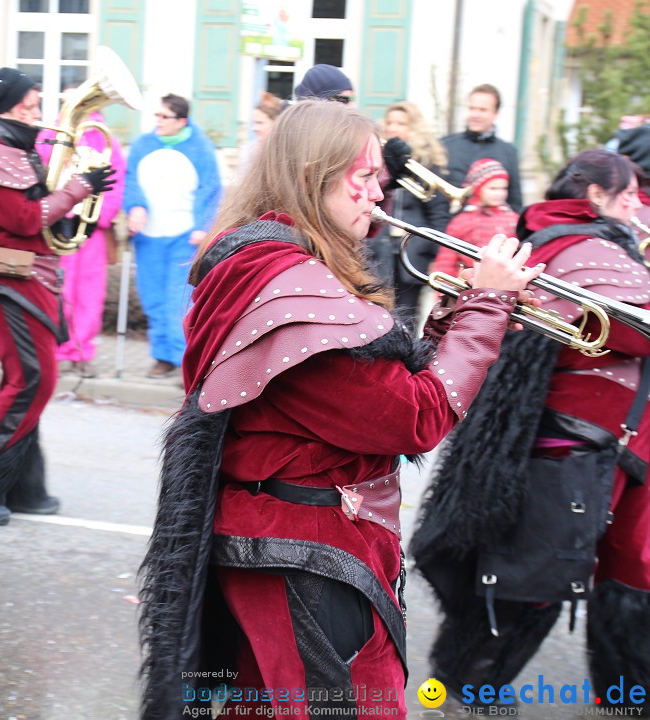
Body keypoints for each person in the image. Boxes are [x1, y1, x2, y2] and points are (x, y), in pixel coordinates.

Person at [137, 99, 542, 719]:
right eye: (364, 178)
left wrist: (456, 318)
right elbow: (417, 417)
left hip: (288, 543)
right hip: (309, 551)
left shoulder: (270, 268)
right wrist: (487, 307)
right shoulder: (292, 287)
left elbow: (372, 390)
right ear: (311, 176)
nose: (377, 197)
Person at [411, 149, 650, 708]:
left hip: (606, 443)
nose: (638, 203)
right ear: (596, 197)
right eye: (630, 193)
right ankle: (469, 684)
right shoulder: (589, 247)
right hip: (583, 442)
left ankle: (624, 689)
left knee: (613, 572)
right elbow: (638, 327)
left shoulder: (566, 242)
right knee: (537, 579)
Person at [0, 67, 116, 526]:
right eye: (30, 104)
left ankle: (20, 483)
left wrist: (75, 198)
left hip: (26, 278)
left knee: (31, 380)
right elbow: (26, 218)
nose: (37, 112)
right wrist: (78, 189)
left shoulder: (8, 148)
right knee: (31, 380)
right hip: (1, 281)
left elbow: (40, 221)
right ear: (7, 106)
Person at [124, 93, 222, 379]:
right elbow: (130, 181)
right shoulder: (143, 145)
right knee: (152, 297)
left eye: (164, 117)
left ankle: (184, 363)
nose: (158, 121)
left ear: (182, 121)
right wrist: (135, 207)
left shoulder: (201, 149)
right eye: (156, 116)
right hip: (149, 235)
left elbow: (212, 190)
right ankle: (162, 356)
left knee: (178, 301)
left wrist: (204, 226)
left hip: (184, 235)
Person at [36, 95, 126, 378]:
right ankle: (55, 350)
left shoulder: (103, 137)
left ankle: (81, 351)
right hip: (58, 220)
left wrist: (101, 216)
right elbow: (40, 169)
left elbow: (117, 178)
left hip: (89, 224)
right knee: (56, 289)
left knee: (89, 292)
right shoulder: (50, 134)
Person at [367, 100, 451, 325]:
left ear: (414, 128)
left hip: (413, 250)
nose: (394, 128)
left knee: (408, 316)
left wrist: (435, 254)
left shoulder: (425, 164)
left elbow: (438, 215)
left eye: (402, 123)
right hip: (380, 248)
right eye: (390, 122)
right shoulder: (376, 160)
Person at [441, 83, 523, 212]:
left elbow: (514, 201)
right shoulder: (445, 145)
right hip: (447, 227)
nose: (475, 115)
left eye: (482, 110)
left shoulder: (508, 152)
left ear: (495, 113)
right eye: (472, 108)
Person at [433, 157, 519, 278]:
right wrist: (443, 290)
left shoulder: (513, 219)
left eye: (503, 188)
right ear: (478, 189)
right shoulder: (461, 221)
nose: (499, 193)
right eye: (493, 188)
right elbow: (446, 260)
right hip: (470, 281)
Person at [237, 91, 286, 178]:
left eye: (260, 123)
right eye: (254, 123)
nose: (254, 128)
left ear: (275, 122)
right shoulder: (249, 151)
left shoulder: (287, 152)